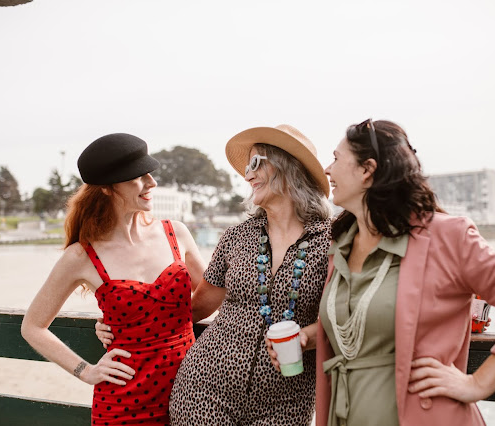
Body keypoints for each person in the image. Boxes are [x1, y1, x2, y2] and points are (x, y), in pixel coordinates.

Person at [309, 119, 495, 425]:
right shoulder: (339, 246)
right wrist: (309, 336)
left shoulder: (448, 237)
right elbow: (361, 324)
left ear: (367, 170)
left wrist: (477, 384)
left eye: (336, 158)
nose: (328, 169)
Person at [21, 133, 205, 426]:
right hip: (124, 405)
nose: (151, 182)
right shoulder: (81, 255)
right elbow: (33, 327)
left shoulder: (176, 233)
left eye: (149, 173)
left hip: (191, 395)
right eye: (138, 176)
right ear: (107, 188)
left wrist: (152, 322)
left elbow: (213, 293)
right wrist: (85, 370)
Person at [168, 124, 333, 425]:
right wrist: (129, 324)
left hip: (286, 402)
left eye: (256, 163)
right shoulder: (236, 237)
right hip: (204, 389)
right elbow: (197, 307)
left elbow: (344, 316)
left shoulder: (332, 242)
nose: (248, 176)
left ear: (289, 167)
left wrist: (306, 338)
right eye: (247, 167)